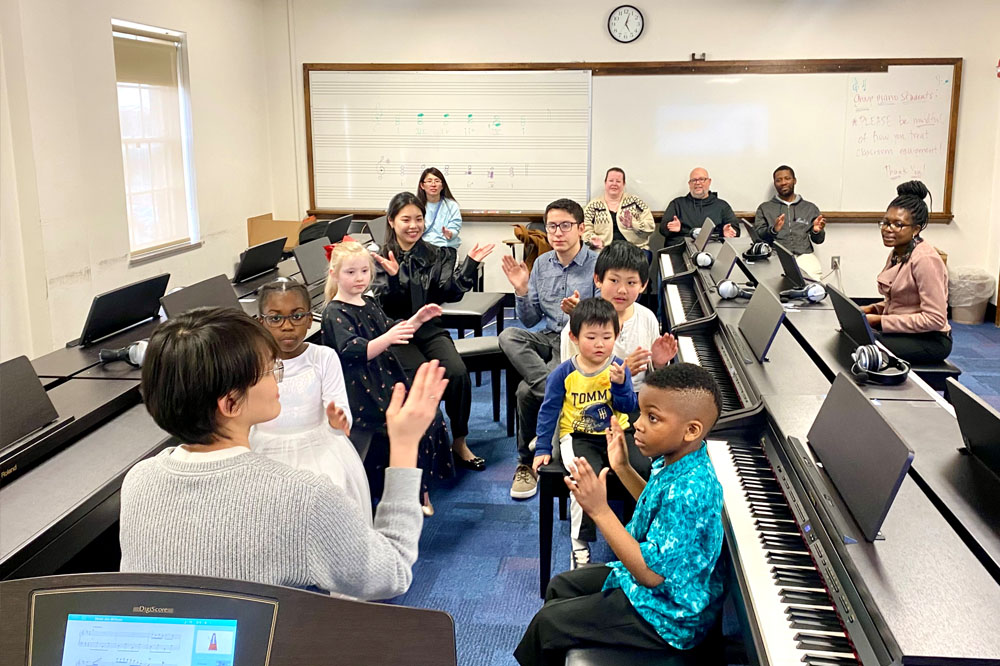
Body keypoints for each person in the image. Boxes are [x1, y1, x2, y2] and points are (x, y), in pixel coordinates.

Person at [119, 306, 449, 601]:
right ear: (231, 403)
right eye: (269, 371)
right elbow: (390, 573)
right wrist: (405, 446)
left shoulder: (140, 480)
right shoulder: (304, 496)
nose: (279, 379)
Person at [515, 363, 727, 666]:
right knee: (560, 585)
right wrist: (624, 468)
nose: (638, 424)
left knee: (548, 623)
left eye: (652, 418)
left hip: (668, 616)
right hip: (654, 588)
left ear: (691, 430)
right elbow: (659, 510)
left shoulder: (691, 489)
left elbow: (650, 575)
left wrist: (600, 511)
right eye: (641, 414)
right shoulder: (679, 459)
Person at [321, 239, 453, 515]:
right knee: (401, 428)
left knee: (429, 419)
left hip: (385, 377)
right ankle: (402, 494)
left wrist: (416, 320)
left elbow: (390, 328)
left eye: (364, 272)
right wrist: (387, 337)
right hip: (363, 388)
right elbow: (352, 350)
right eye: (350, 272)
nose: (359, 278)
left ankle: (420, 489)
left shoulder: (367, 301)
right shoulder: (334, 311)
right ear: (334, 274)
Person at [372, 192, 495, 471]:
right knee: (422, 379)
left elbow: (447, 293)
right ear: (391, 221)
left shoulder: (436, 253)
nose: (413, 225)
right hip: (397, 332)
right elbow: (385, 304)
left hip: (429, 328)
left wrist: (470, 266)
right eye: (406, 219)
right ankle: (425, 445)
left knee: (457, 373)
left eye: (418, 218)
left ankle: (459, 441)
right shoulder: (380, 258)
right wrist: (394, 279)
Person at [499, 198, 599, 500]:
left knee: (523, 393)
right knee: (508, 336)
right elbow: (529, 319)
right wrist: (521, 290)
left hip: (576, 342)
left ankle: (526, 463)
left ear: (580, 228)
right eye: (552, 226)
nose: (557, 233)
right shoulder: (542, 264)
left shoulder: (597, 264)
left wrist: (580, 313)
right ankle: (555, 391)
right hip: (547, 337)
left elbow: (603, 324)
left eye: (565, 225)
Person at [250, 278, 370, 521]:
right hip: (266, 453)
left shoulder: (323, 357)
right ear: (261, 322)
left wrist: (338, 419)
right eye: (275, 318)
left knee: (327, 514)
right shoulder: (252, 363)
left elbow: (340, 408)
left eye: (296, 316)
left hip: (320, 450)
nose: (287, 326)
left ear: (309, 319)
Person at [534, 298, 638, 569]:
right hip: (578, 436)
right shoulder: (563, 373)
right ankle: (580, 548)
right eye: (591, 337)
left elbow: (629, 407)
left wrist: (621, 386)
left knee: (644, 469)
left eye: (607, 336)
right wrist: (543, 448)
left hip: (617, 433)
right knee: (583, 478)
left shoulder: (618, 368)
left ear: (617, 336)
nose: (600, 344)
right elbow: (548, 412)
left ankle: (641, 540)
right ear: (574, 337)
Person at [560, 240, 678, 395]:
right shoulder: (578, 325)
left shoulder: (647, 317)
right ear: (598, 279)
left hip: (638, 398)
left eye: (631, 282)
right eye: (614, 280)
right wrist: (621, 374)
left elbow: (652, 380)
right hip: (596, 404)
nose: (622, 290)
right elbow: (570, 384)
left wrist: (658, 364)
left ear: (642, 285)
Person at [860, 180, 952, 363]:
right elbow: (905, 302)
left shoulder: (925, 259)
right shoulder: (899, 251)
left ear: (916, 229)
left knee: (863, 347)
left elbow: (935, 319)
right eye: (885, 222)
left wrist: (879, 321)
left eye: (898, 224)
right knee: (854, 337)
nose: (888, 229)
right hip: (906, 332)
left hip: (930, 339)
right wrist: (873, 308)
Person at [753, 165, 826, 278]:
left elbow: (819, 240)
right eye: (779, 180)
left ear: (794, 181)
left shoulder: (810, 208)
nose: (783, 183)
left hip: (804, 255)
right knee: (774, 288)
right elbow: (758, 236)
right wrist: (773, 230)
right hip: (775, 256)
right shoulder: (765, 208)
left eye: (787, 178)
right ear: (775, 184)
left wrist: (817, 231)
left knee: (814, 289)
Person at [660, 167, 739, 248]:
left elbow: (735, 230)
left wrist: (726, 232)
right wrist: (671, 228)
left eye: (702, 179)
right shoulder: (677, 204)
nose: (697, 183)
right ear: (689, 184)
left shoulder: (722, 206)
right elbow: (663, 230)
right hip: (681, 248)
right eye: (694, 180)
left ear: (709, 181)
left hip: (712, 249)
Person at [582, 167, 655, 254]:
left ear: (623, 184)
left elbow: (650, 226)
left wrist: (633, 225)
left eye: (618, 181)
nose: (614, 184)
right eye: (611, 180)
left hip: (634, 250)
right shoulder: (593, 205)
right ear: (605, 183)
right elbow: (584, 228)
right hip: (603, 251)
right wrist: (592, 239)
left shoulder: (635, 202)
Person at [416, 167, 462, 262]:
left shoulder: (451, 205)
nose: (433, 184)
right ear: (422, 185)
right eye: (429, 181)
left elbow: (455, 227)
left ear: (442, 185)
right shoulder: (415, 205)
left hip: (445, 250)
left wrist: (450, 233)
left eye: (437, 181)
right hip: (422, 250)